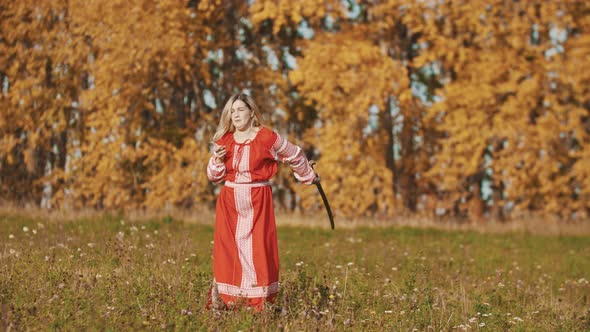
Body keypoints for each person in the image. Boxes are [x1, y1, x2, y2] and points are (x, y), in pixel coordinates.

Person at [206, 93, 318, 311]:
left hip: (258, 200)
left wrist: (308, 176)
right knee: (227, 250)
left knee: (258, 250)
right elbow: (213, 175)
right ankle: (228, 302)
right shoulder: (224, 140)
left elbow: (294, 154)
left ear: (251, 112)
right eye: (232, 111)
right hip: (230, 202)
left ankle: (258, 305)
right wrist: (217, 159)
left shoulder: (267, 137)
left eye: (240, 110)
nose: (235, 114)